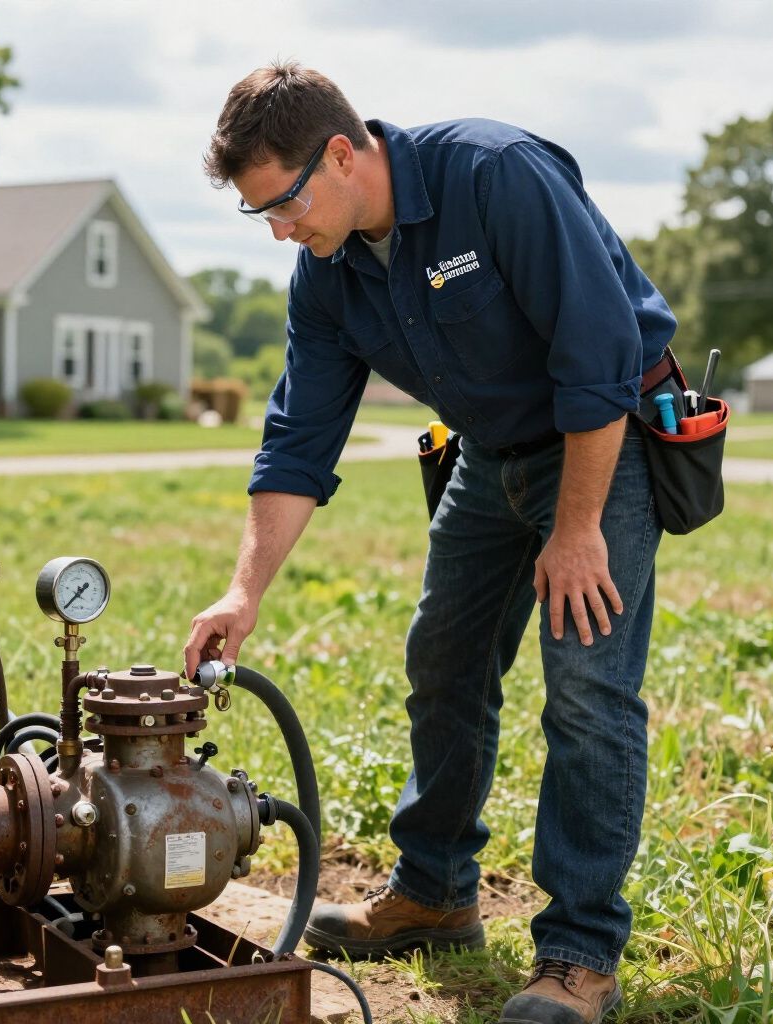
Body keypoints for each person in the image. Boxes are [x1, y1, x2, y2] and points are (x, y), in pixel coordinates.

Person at [184, 60, 676, 1024]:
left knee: (586, 688)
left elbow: (599, 351)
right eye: (261, 217)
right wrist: (243, 592)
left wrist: (576, 531)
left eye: (282, 204)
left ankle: (580, 957)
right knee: (443, 658)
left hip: (602, 444)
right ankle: (436, 892)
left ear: (340, 152)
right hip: (491, 456)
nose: (281, 231)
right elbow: (300, 435)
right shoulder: (325, 274)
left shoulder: (495, 175)